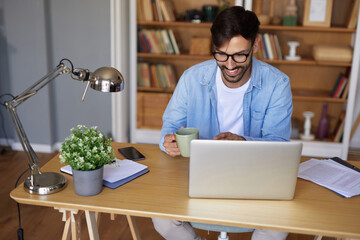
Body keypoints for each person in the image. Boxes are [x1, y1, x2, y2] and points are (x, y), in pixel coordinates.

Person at [152, 6, 292, 240]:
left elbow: (277, 144)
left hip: (255, 175)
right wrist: (168, 142)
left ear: (255, 46)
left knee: (279, 224)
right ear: (214, 48)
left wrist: (242, 142)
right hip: (199, 175)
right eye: (221, 54)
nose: (230, 65)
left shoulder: (277, 84)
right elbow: (169, 129)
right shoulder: (192, 78)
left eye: (240, 55)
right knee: (162, 218)